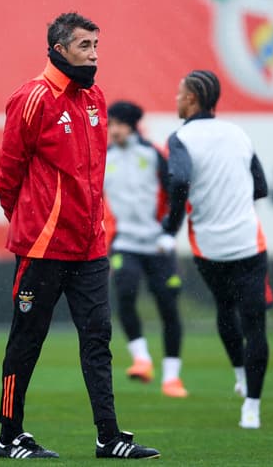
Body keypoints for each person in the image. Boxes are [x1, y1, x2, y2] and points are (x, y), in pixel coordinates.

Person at [0, 12, 160, 459]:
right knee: (26, 342)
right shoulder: (31, 98)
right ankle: (9, 436)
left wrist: (89, 225)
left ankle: (109, 437)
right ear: (60, 48)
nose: (94, 55)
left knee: (97, 341)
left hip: (89, 247)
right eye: (85, 46)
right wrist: (30, 222)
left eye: (96, 46)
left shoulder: (96, 98)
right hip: (43, 248)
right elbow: (7, 176)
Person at [161, 69, 271, 429]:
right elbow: (261, 186)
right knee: (255, 323)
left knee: (225, 309)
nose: (177, 99)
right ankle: (252, 406)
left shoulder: (180, 138)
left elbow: (178, 180)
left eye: (180, 93)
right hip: (247, 242)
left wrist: (170, 227)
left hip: (208, 247)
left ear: (191, 98)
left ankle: (240, 374)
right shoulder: (237, 133)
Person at [103, 100, 187, 398]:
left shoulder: (152, 155)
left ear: (132, 125)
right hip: (125, 242)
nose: (113, 130)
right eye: (110, 124)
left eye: (118, 124)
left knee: (168, 307)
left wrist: (169, 232)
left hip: (157, 244)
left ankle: (172, 378)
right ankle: (141, 359)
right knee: (124, 295)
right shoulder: (104, 158)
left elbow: (179, 192)